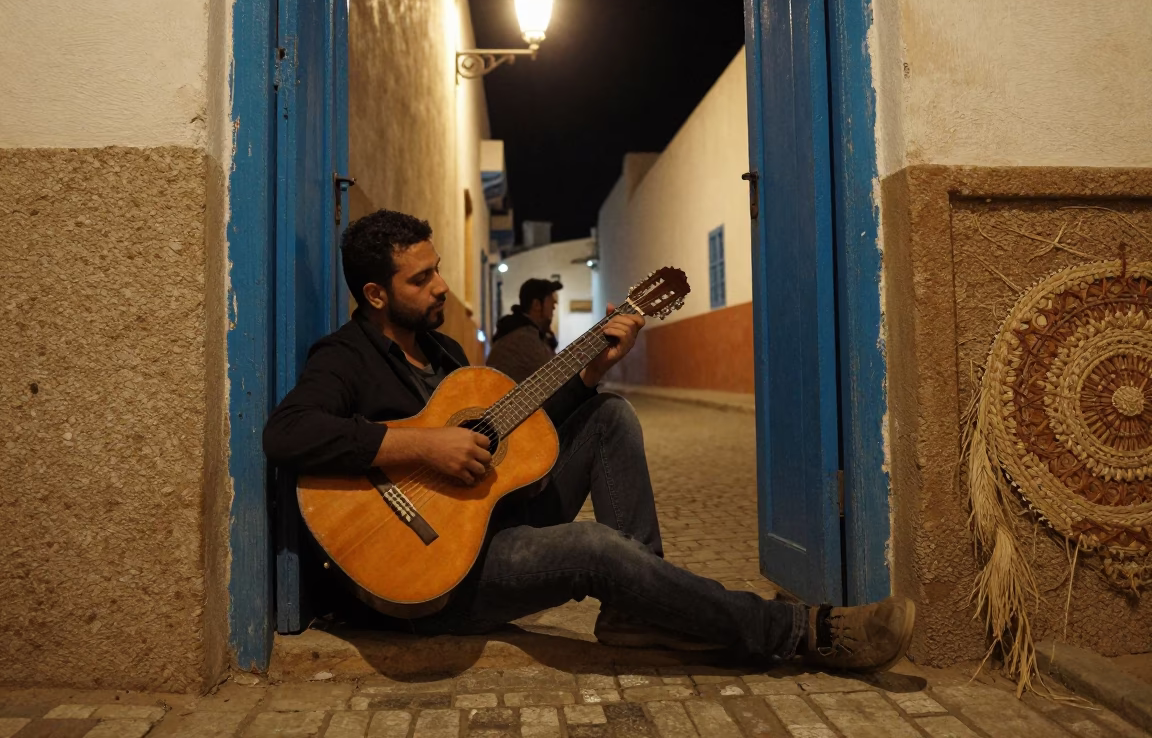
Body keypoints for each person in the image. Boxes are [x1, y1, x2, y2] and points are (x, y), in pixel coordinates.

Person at [263, 209, 915, 671]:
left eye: (437, 271)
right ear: (375, 294)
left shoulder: (444, 350)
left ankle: (640, 609)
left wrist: (593, 370)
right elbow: (288, 433)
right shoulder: (345, 357)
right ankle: (802, 633)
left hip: (489, 523)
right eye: (420, 279)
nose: (440, 287)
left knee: (609, 416)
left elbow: (515, 429)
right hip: (432, 575)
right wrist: (422, 447)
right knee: (591, 547)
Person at [487, 277, 563, 382]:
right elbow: (556, 377)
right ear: (537, 305)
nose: (554, 307)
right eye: (550, 302)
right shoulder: (524, 339)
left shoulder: (521, 331)